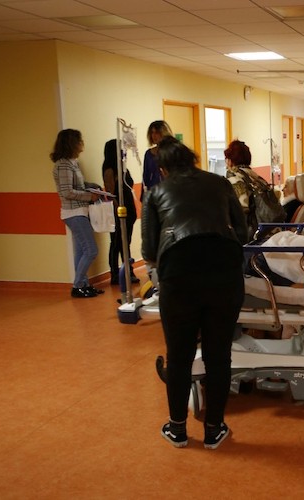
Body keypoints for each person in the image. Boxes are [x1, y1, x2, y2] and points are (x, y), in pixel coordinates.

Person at [141, 136, 247, 449]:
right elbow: (242, 233)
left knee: (179, 355)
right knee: (218, 355)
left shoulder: (156, 192)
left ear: (163, 169)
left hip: (179, 276)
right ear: (192, 159)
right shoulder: (220, 183)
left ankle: (177, 429)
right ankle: (214, 429)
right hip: (224, 273)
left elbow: (149, 250)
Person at [51, 129, 104, 299]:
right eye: (79, 141)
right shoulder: (63, 165)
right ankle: (77, 285)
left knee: (81, 252)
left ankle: (83, 285)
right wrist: (89, 196)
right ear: (72, 143)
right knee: (91, 250)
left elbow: (78, 185)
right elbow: (67, 192)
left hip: (80, 211)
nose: (82, 144)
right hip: (73, 212)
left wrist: (93, 186)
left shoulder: (73, 163)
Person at [102, 139, 138, 285]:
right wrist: (118, 210)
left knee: (126, 242)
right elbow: (111, 193)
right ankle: (115, 273)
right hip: (119, 210)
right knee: (116, 242)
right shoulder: (110, 169)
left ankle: (128, 271)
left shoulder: (122, 167)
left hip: (128, 208)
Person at [141, 120, 173, 200]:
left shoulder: (171, 151)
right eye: (152, 132)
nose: (154, 135)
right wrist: (144, 196)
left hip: (168, 192)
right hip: (153, 193)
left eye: (157, 132)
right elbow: (145, 176)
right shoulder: (148, 154)